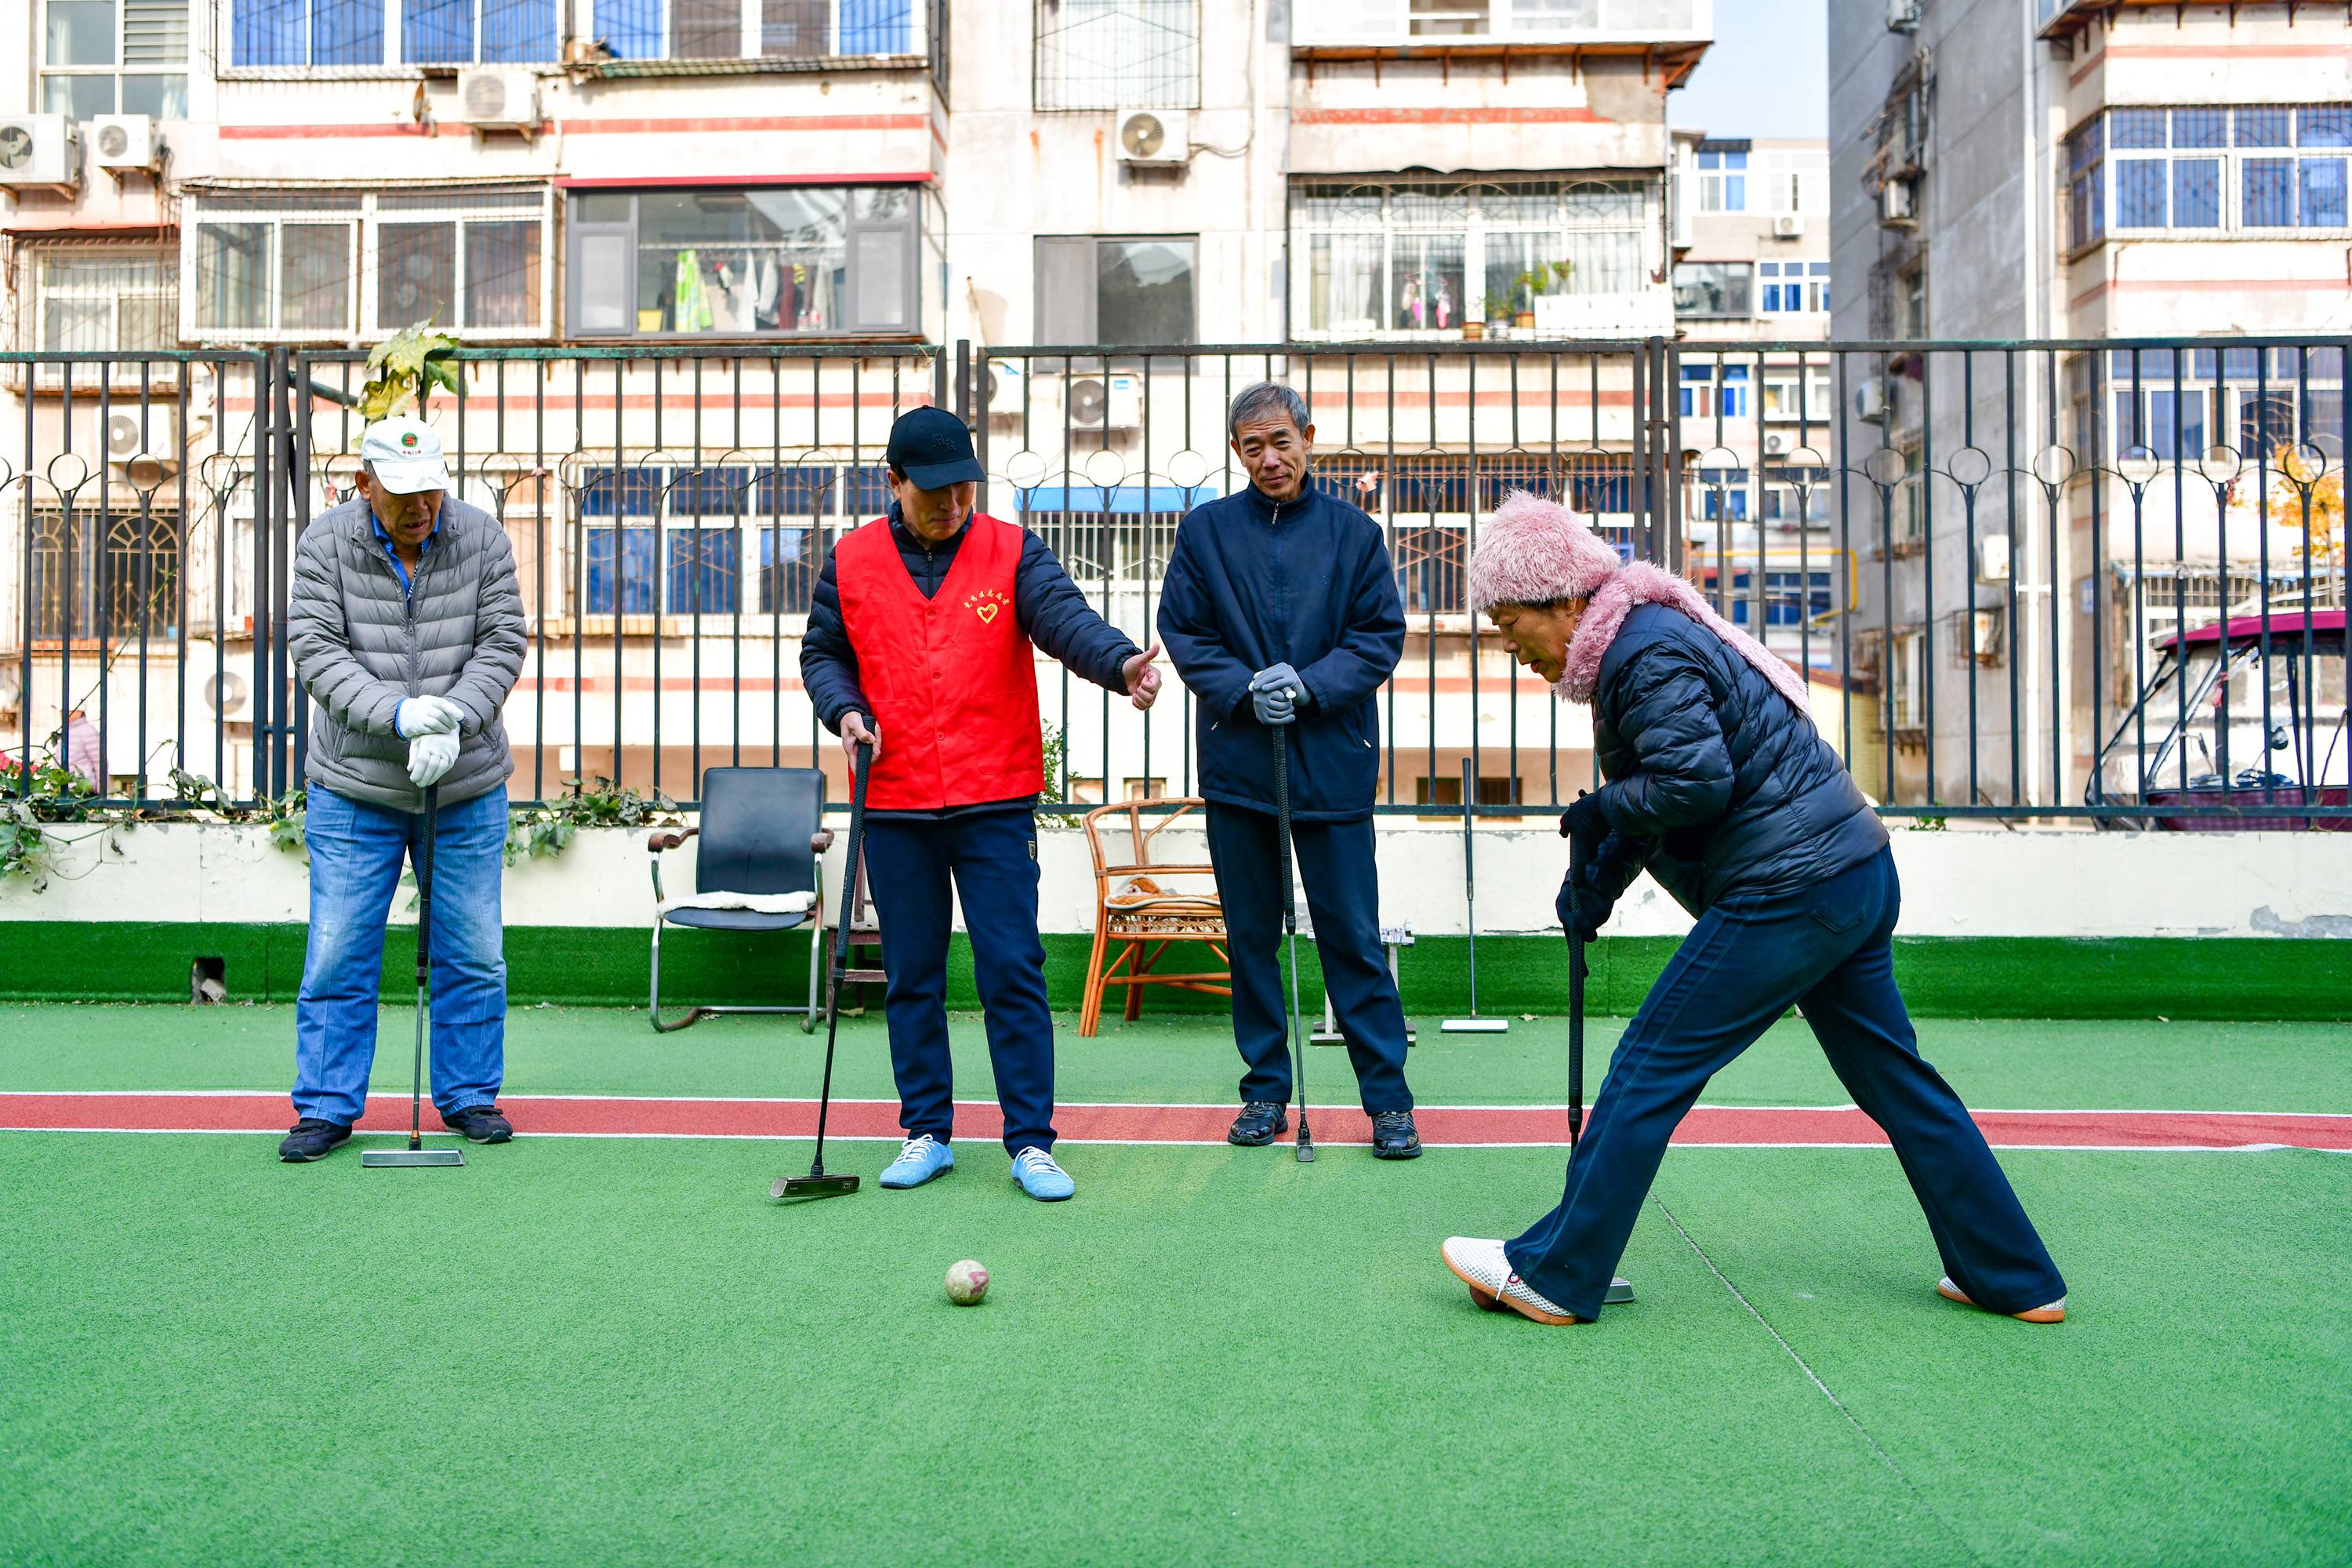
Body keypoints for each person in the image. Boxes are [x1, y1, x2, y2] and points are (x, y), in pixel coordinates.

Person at [1440, 492, 2067, 1325]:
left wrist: (1600, 813)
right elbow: (1663, 793)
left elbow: (1694, 785)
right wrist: (1594, 883)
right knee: (1899, 1081)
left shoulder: (1640, 655)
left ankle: (1557, 1273)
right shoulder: (1643, 640)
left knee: (1649, 1066)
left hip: (1790, 888)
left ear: (1561, 599)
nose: (1509, 645)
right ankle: (2016, 1276)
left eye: (1509, 622)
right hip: (1851, 871)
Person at [800, 406, 1163, 1201]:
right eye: (933, 491)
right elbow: (824, 652)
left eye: (964, 487)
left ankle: (1031, 1141)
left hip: (993, 793)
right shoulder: (852, 559)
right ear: (893, 483)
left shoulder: (1010, 549)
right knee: (912, 974)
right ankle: (926, 1128)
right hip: (893, 797)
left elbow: (1065, 619)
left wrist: (1119, 664)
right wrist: (844, 710)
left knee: (1012, 968)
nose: (953, 503)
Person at [1158, 382, 1422, 1159]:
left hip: (1332, 767)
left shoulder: (1353, 534)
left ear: (1309, 436)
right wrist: (1242, 688)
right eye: (1252, 446)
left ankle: (1389, 1101)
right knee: (1249, 937)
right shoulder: (1205, 533)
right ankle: (1266, 1090)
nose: (1269, 458)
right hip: (1241, 766)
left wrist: (1310, 685)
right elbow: (1184, 627)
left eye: (1281, 440)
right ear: (1236, 451)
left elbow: (1379, 633)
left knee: (1351, 936)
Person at [278, 416, 525, 1162]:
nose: (422, 507)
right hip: (355, 787)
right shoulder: (325, 543)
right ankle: (325, 1107)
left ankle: (470, 1096)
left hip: (465, 785)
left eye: (432, 489)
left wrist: (454, 716)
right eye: (402, 493)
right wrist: (398, 714)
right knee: (338, 950)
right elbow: (316, 650)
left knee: (474, 950)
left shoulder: (481, 538)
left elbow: (504, 640)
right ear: (364, 484)